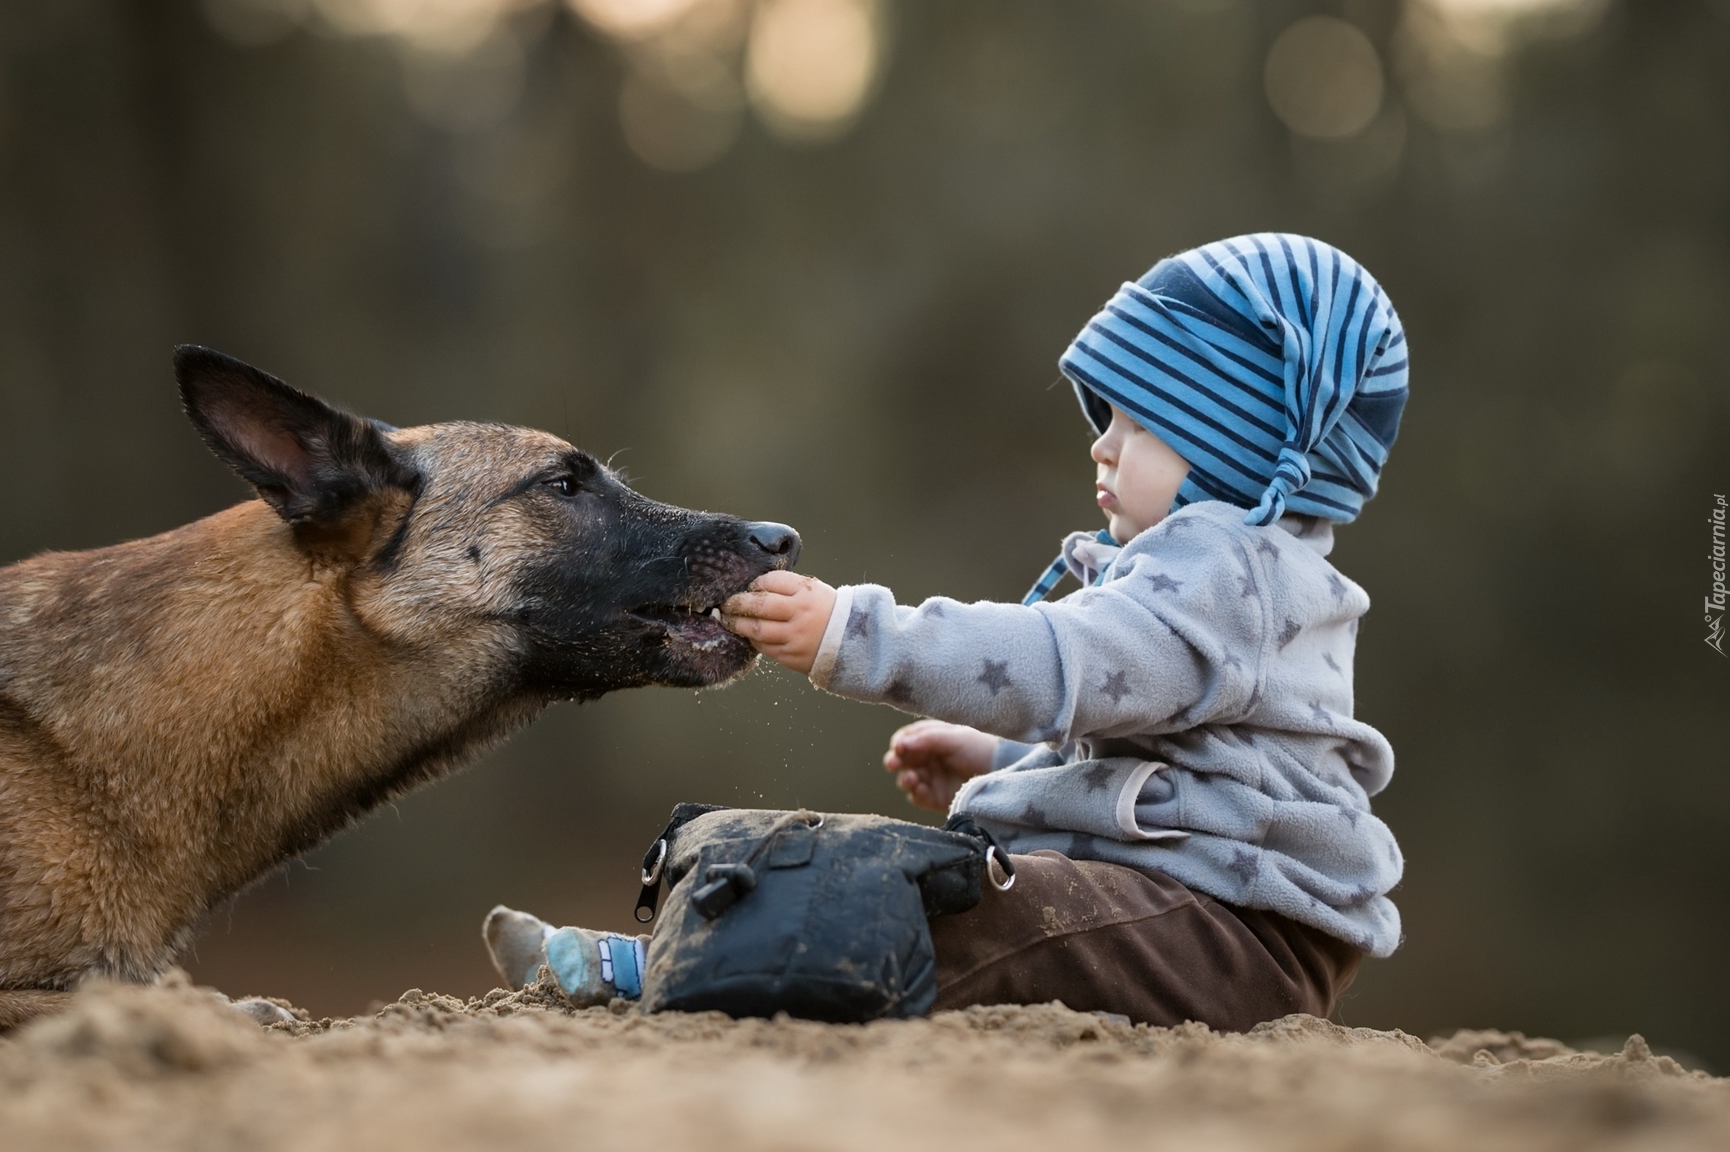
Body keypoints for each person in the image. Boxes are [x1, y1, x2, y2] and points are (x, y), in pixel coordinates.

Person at [487, 234, 1408, 1031]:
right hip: (1188, 904)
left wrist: (853, 632)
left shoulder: (1225, 569)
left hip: (1233, 935)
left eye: (1142, 420)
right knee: (914, 873)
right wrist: (1000, 759)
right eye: (1107, 417)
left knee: (947, 900)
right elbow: (1166, 757)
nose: (1104, 444)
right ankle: (681, 948)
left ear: (1238, 443)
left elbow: (1064, 665)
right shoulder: (1223, 573)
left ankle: (666, 976)